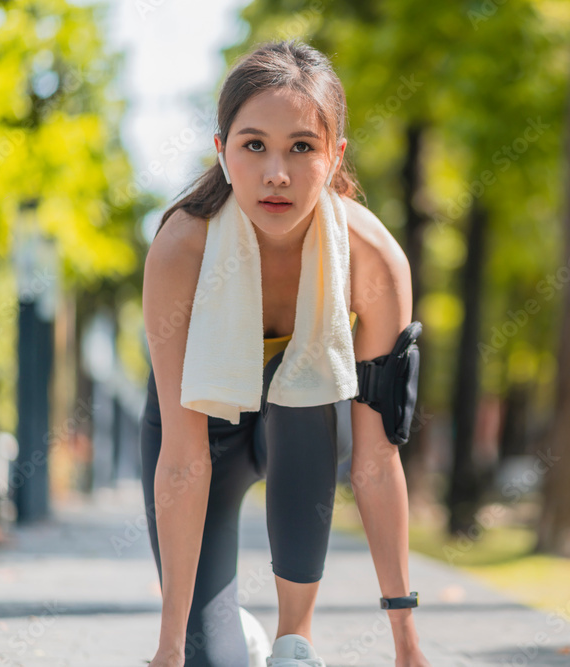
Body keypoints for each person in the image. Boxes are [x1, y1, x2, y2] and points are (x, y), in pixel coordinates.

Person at [140, 39, 430, 667]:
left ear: (335, 156)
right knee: (206, 658)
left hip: (307, 427)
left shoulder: (372, 260)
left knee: (305, 384)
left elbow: (377, 461)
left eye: (302, 147)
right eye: (254, 146)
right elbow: (184, 460)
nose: (277, 173)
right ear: (222, 152)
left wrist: (408, 646)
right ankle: (229, 637)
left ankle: (292, 642)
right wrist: (166, 652)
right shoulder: (180, 250)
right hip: (200, 433)